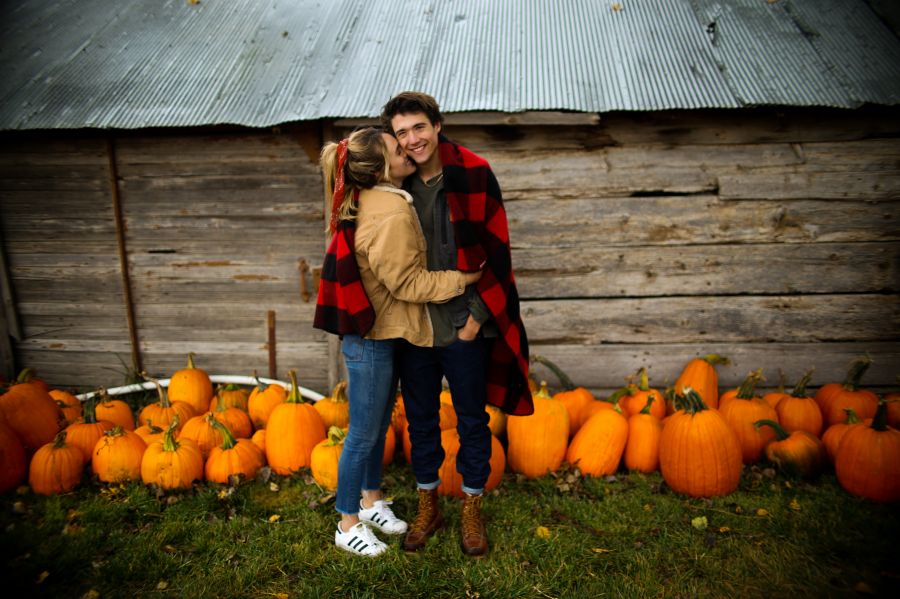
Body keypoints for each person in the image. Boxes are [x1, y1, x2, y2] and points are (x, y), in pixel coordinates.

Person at [313, 127, 482, 557]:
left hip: (379, 333)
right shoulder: (389, 210)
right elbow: (407, 282)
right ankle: (347, 521)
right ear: (382, 167)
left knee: (375, 428)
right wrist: (462, 279)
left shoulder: (372, 198)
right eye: (395, 145)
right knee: (363, 435)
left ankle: (370, 501)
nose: (405, 147)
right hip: (371, 339)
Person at [380, 92, 533, 557]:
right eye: (402, 132)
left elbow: (497, 251)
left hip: (466, 324)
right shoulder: (392, 182)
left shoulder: (473, 172)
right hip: (416, 326)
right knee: (421, 420)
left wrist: (475, 322)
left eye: (418, 127)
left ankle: (470, 506)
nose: (412, 139)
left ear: (438, 125)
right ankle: (429, 503)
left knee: (471, 421)